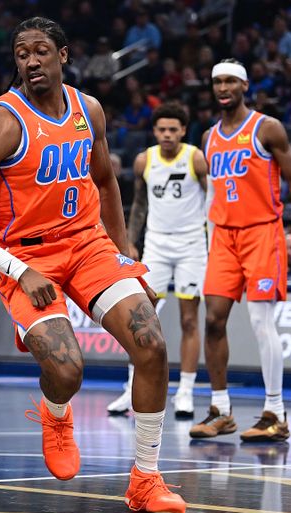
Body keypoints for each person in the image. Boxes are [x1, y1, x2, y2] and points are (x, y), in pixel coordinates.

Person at [0, 17, 184, 513]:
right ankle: (56, 413)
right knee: (68, 371)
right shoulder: (3, 121)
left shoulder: (88, 110)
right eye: (21, 53)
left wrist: (126, 255)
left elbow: (107, 183)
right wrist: (17, 270)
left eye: (40, 51)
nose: (30, 60)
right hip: (28, 255)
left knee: (152, 344)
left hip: (90, 244)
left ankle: (145, 479)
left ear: (63, 56)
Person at [190, 60, 291, 441]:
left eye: (230, 81)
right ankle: (221, 410)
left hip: (263, 232)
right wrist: (207, 236)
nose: (222, 87)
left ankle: (275, 412)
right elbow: (212, 191)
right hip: (224, 236)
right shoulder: (209, 137)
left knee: (262, 323)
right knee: (212, 320)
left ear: (244, 85)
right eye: (216, 82)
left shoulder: (266, 127)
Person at [107, 104, 208, 418]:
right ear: (154, 131)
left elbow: (212, 198)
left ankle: (186, 392)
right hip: (156, 245)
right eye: (162, 129)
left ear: (183, 131)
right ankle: (130, 388)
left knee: (189, 319)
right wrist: (129, 244)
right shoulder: (143, 160)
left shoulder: (195, 158)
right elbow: (139, 204)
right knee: (141, 318)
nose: (167, 135)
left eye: (173, 130)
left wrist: (213, 237)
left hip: (192, 244)